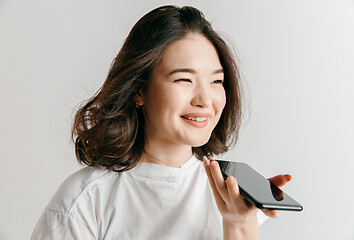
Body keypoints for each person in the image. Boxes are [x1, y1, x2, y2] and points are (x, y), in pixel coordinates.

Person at [31, 5, 292, 239]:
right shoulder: (84, 201)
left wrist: (238, 223)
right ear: (139, 90)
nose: (204, 100)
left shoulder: (233, 196)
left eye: (216, 81)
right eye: (184, 80)